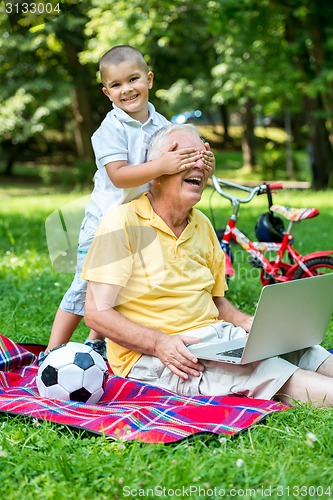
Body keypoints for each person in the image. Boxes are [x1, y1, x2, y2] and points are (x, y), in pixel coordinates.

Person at [82, 123, 333, 407]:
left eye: (202, 156)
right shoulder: (122, 222)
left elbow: (217, 303)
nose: (199, 164)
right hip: (157, 356)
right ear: (156, 172)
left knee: (303, 350)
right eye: (186, 156)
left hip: (216, 340)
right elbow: (96, 313)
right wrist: (158, 342)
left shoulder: (201, 224)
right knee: (265, 371)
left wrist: (248, 323)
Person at [41, 46, 214, 364]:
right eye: (117, 85)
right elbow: (119, 176)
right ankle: (53, 350)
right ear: (107, 92)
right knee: (85, 288)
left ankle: (96, 343)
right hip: (105, 223)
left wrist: (199, 160)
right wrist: (163, 164)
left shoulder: (162, 123)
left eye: (133, 79)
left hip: (142, 221)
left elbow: (177, 163)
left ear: (149, 79)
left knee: (125, 287)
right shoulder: (111, 129)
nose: (127, 89)